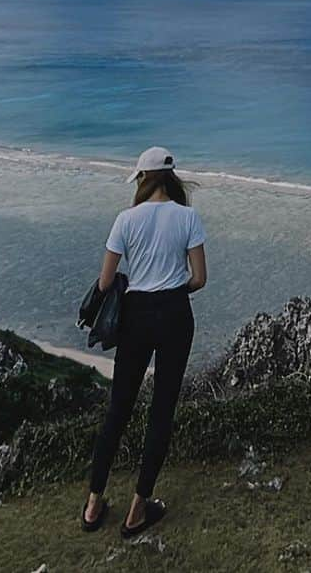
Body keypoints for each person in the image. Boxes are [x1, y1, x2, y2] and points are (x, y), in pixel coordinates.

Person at [82, 145, 207, 538]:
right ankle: (138, 509)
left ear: (142, 178)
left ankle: (93, 504)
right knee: (161, 409)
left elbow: (105, 282)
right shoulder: (189, 217)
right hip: (174, 314)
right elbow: (199, 278)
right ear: (170, 178)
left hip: (135, 316)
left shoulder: (126, 219)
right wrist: (171, 288)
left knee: (118, 408)